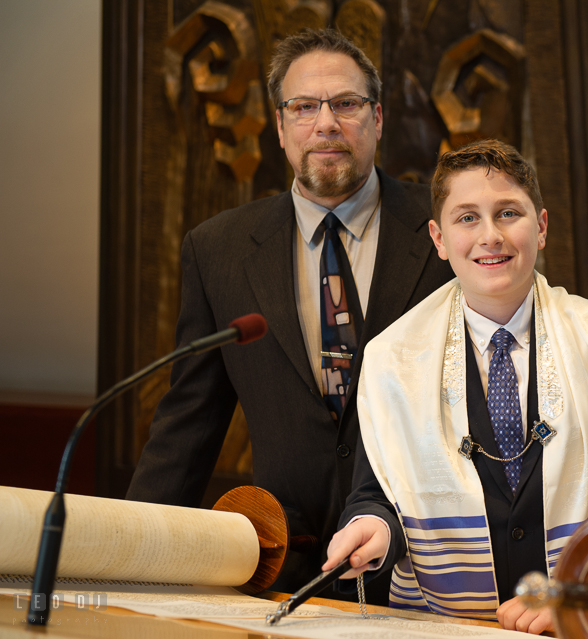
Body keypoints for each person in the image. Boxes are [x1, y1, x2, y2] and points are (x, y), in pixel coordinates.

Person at [126, 28, 454, 598]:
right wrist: (125, 553)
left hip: (424, 569)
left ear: (377, 119)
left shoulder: (448, 229)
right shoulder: (218, 249)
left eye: (346, 104)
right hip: (283, 572)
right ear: (279, 128)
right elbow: (189, 424)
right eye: (304, 107)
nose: (325, 123)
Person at [322, 139, 588, 634]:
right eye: (467, 218)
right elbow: (376, 492)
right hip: (445, 627)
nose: (489, 235)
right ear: (439, 238)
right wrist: (374, 526)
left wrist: (582, 598)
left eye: (508, 213)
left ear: (541, 226)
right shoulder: (392, 358)